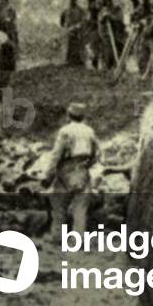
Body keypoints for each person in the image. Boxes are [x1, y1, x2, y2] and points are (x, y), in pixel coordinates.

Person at [43, 103, 100, 241]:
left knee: (59, 203)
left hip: (66, 170)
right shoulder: (90, 131)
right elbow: (97, 154)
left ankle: (57, 236)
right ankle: (77, 239)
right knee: (80, 207)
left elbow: (56, 155)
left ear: (68, 116)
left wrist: (48, 175)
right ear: (83, 116)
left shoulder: (65, 131)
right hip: (82, 169)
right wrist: (87, 166)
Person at [60, 0, 88, 66]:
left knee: (78, 46)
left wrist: (78, 26)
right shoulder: (66, 11)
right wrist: (67, 28)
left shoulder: (80, 10)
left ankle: (78, 60)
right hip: (69, 31)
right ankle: (67, 60)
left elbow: (84, 20)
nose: (72, 1)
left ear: (76, 0)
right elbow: (62, 22)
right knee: (69, 45)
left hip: (78, 31)